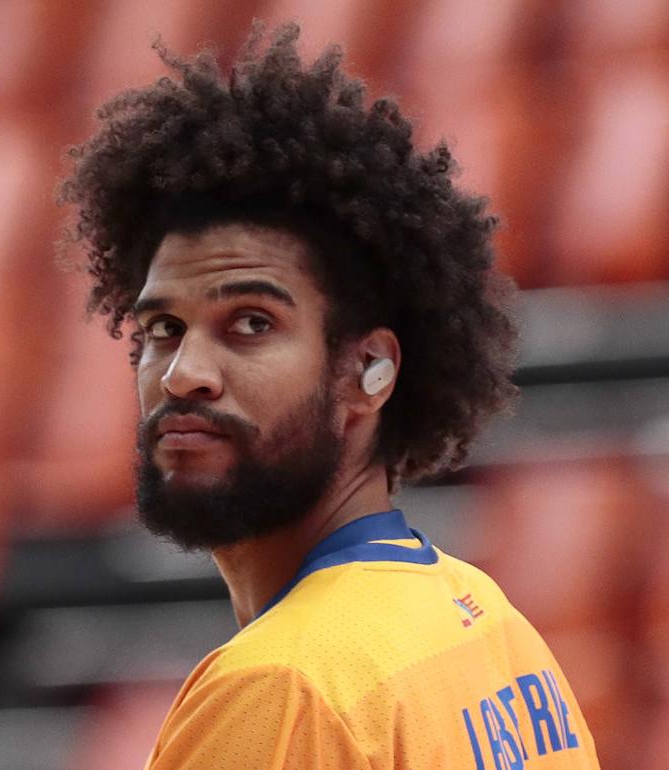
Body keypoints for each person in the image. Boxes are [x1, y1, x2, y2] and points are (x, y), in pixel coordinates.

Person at [59, 22, 600, 769]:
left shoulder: (282, 689)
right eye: (162, 327)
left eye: (250, 323)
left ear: (368, 369)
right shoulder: (480, 616)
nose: (184, 373)